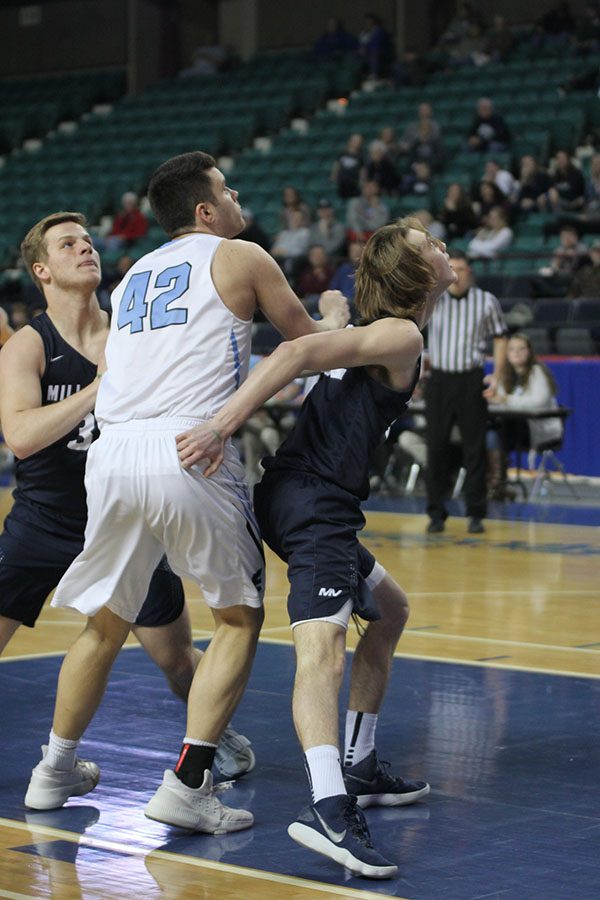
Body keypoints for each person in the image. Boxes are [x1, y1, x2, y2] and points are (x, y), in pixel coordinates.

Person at [23, 152, 349, 830]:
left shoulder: (133, 274)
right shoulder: (241, 255)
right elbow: (308, 345)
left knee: (104, 623)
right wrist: (336, 311)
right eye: (226, 190)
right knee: (238, 617)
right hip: (188, 447)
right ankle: (189, 786)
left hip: (111, 451)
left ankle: (53, 770)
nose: (236, 198)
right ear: (205, 211)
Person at [174, 217, 455, 879]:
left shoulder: (354, 327)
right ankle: (329, 808)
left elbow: (328, 316)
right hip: (313, 502)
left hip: (303, 496)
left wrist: (328, 309)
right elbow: (293, 355)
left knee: (388, 612)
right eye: (427, 244)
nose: (442, 247)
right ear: (415, 276)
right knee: (323, 646)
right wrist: (220, 426)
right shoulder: (403, 333)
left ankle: (357, 765)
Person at [0, 211, 254, 781]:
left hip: (122, 517)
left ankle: (212, 737)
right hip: (45, 521)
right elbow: (20, 437)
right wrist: (98, 388)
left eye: (89, 241)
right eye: (68, 245)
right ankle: (60, 765)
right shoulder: (26, 345)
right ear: (41, 269)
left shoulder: (133, 329)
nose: (85, 249)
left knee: (176, 660)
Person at [425, 249, 507, 534]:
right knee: (436, 447)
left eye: (462, 269)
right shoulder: (432, 299)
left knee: (475, 447)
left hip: (470, 379)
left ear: (470, 272)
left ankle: (476, 513)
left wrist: (496, 374)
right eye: (452, 268)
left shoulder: (486, 301)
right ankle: (436, 512)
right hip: (440, 380)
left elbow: (500, 336)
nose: (457, 275)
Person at [485, 333, 563, 498]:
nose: (516, 352)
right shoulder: (504, 375)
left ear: (529, 351)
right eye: (512, 349)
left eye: (521, 348)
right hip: (512, 427)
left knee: (496, 430)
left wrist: (506, 399)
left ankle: (496, 482)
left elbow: (537, 401)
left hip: (537, 428)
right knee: (489, 431)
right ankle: (497, 482)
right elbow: (497, 400)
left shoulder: (537, 372)